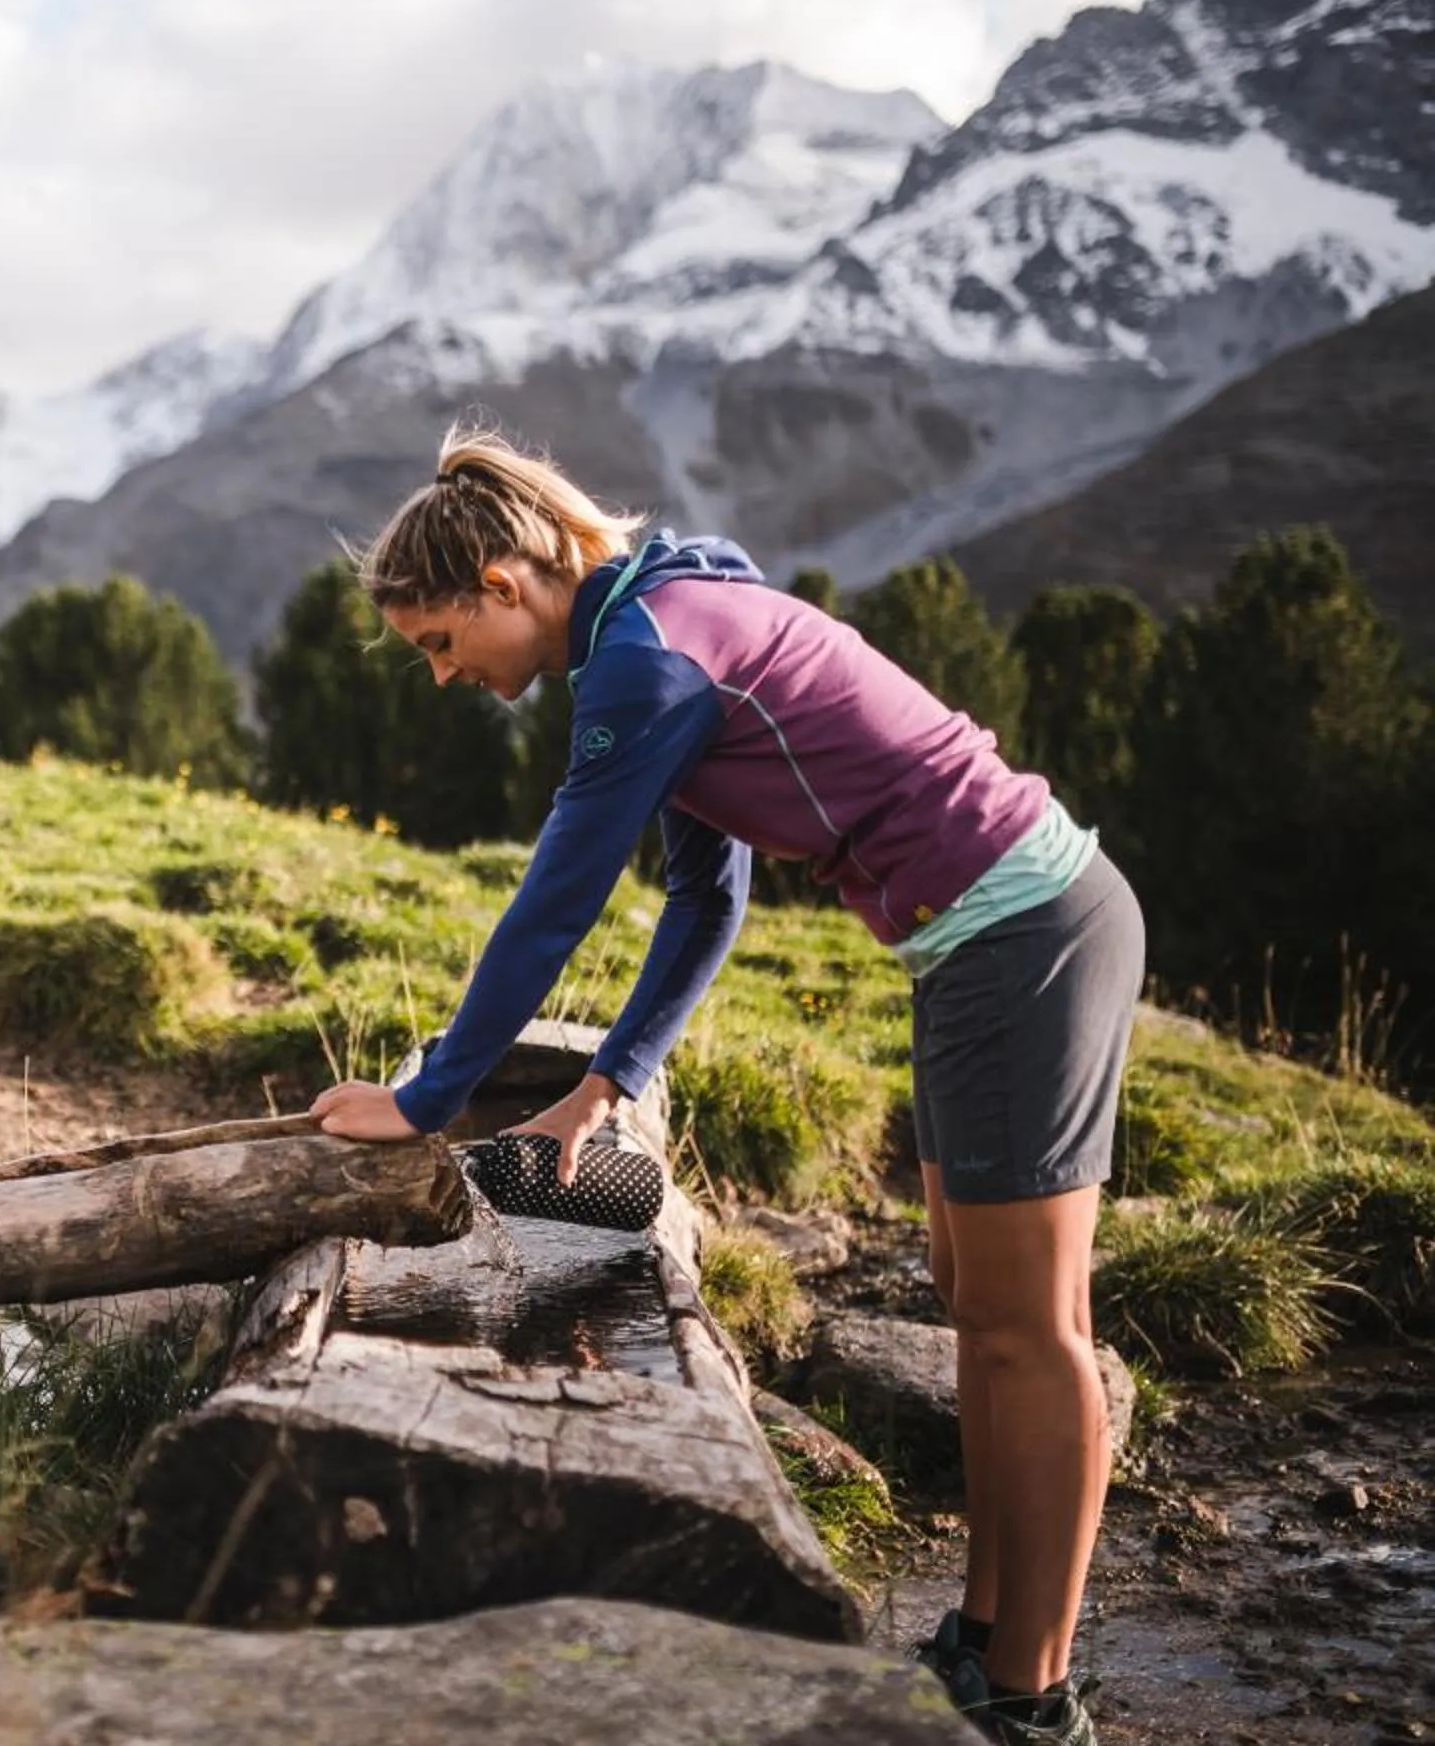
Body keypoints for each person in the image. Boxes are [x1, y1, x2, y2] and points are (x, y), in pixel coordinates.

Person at [308, 428, 1142, 1746]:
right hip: (982, 939)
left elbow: (555, 906)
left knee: (1028, 1326)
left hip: (1023, 933)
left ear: (504, 584)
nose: (445, 674)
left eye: (441, 642)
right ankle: (985, 1640)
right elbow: (707, 896)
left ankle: (1033, 1701)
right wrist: (610, 1079)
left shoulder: (644, 661)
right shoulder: (661, 614)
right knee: (977, 1301)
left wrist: (424, 1099)